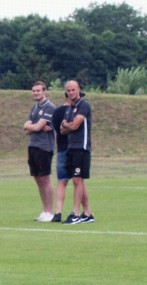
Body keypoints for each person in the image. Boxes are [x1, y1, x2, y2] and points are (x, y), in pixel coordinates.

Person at [61, 81, 95, 224]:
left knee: (77, 179)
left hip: (81, 147)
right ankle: (87, 213)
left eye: (73, 89)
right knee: (78, 180)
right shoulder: (69, 108)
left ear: (79, 90)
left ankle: (75, 214)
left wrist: (68, 125)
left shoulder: (83, 105)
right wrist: (68, 125)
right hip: (71, 147)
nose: (71, 92)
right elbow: (62, 129)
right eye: (68, 90)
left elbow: (74, 125)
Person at [23, 81, 56, 222]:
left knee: (45, 179)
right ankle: (44, 210)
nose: (36, 93)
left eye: (38, 90)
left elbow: (36, 128)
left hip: (44, 147)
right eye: (34, 91)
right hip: (33, 145)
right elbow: (26, 129)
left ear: (44, 91)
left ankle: (50, 211)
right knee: (38, 179)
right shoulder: (34, 108)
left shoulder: (49, 107)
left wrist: (34, 126)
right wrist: (33, 126)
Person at [50, 93, 72, 222]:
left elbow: (56, 129)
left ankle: (58, 212)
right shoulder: (76, 111)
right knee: (78, 181)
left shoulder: (57, 112)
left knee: (61, 182)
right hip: (74, 149)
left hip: (61, 149)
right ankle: (81, 211)